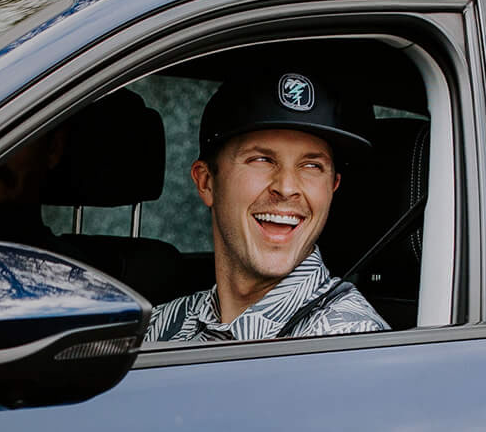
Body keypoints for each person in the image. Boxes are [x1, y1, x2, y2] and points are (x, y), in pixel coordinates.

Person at [145, 60, 387, 345]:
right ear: (207, 182)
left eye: (311, 166)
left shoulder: (349, 342)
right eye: (261, 160)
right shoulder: (160, 327)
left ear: (333, 187)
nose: (286, 188)